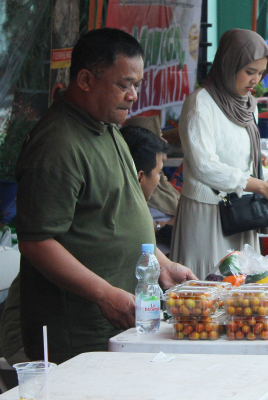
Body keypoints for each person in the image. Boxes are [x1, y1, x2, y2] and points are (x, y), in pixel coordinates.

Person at [14, 28, 196, 363]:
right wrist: (104, 293)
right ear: (85, 79)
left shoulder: (108, 127)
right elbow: (37, 242)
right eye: (124, 84)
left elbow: (115, 215)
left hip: (126, 321)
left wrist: (163, 264)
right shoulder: (57, 144)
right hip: (80, 331)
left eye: (137, 85)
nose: (133, 96)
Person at [172, 29, 268, 278]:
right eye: (249, 71)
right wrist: (257, 185)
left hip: (241, 212)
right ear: (229, 64)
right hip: (208, 212)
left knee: (241, 290)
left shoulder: (248, 106)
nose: (255, 80)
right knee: (209, 287)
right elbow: (203, 165)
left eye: (260, 73)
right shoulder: (200, 104)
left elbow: (246, 162)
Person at [122, 115, 180, 252]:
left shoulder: (159, 179)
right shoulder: (130, 200)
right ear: (140, 177)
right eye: (158, 136)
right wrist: (164, 225)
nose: (164, 141)